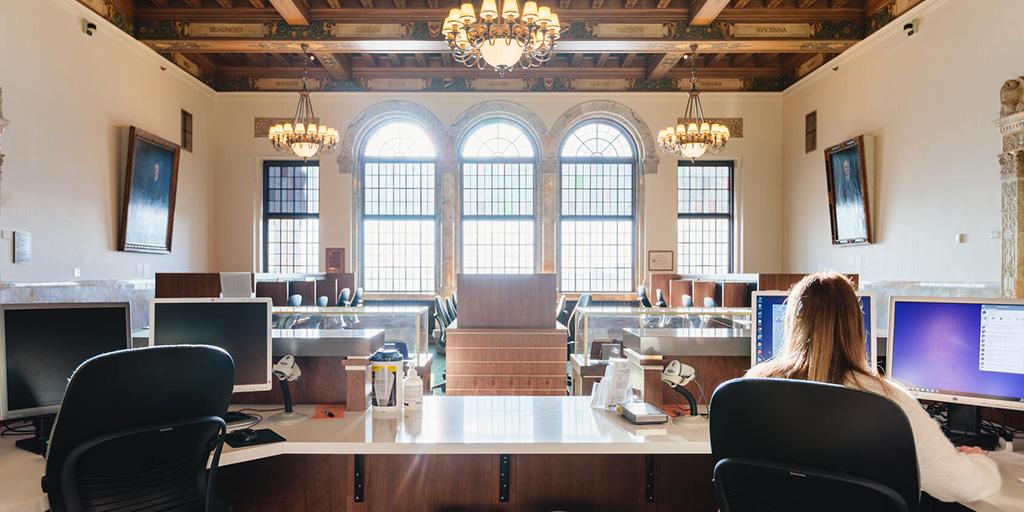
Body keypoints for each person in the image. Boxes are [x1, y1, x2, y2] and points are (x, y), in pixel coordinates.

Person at [747, 272, 1001, 504]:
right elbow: (961, 487)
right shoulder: (888, 401)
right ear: (857, 327)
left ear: (793, 323)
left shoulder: (752, 387)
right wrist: (981, 461)